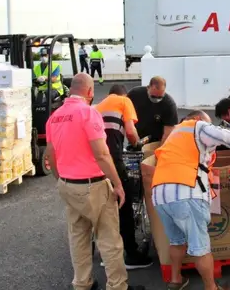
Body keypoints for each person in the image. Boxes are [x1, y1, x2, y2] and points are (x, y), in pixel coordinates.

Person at [46, 73, 145, 290]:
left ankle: (82, 283)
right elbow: (102, 154)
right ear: (90, 92)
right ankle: (117, 286)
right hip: (93, 185)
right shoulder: (88, 113)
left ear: (71, 89)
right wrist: (118, 184)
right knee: (109, 239)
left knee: (79, 236)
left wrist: (60, 178)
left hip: (67, 184)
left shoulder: (55, 116)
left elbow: (51, 153)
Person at [152, 110, 230, 290]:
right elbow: (226, 135)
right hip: (185, 192)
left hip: (160, 194)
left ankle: (175, 280)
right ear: (197, 119)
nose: (209, 125)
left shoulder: (174, 135)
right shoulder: (197, 126)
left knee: (176, 241)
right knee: (200, 247)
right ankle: (211, 288)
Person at [95, 84, 153, 269]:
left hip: (96, 162)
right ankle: (131, 254)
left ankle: (108, 254)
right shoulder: (124, 101)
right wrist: (136, 144)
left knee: (106, 208)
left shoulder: (98, 106)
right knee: (124, 204)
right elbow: (130, 131)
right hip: (113, 159)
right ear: (124, 94)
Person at [127, 76, 179, 144]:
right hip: (136, 135)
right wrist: (135, 142)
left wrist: (161, 149)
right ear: (148, 87)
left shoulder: (169, 104)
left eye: (160, 97)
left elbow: (169, 130)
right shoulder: (134, 94)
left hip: (157, 141)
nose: (156, 99)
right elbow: (126, 116)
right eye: (153, 96)